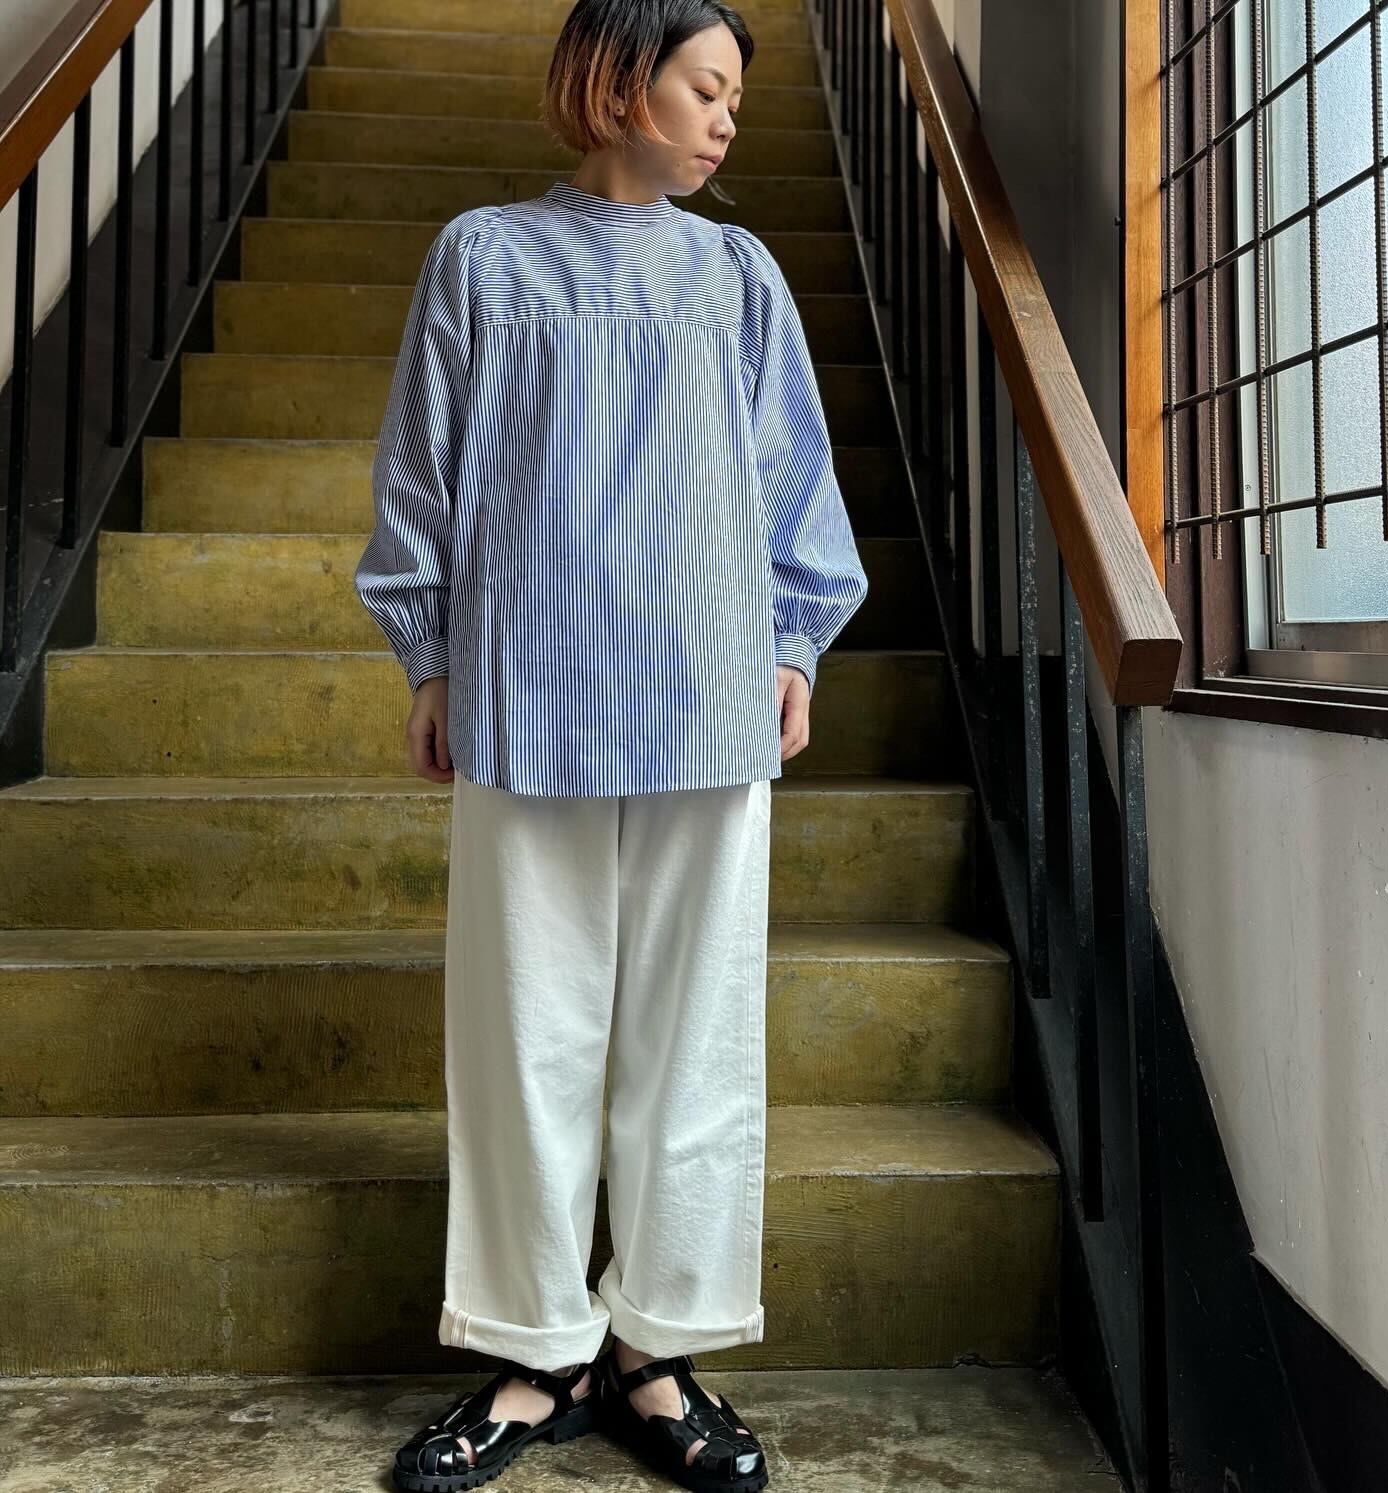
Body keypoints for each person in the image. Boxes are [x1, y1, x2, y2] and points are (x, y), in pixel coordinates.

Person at [353, 0, 869, 1487]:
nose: (726, 120)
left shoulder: (739, 273)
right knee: (524, 1038)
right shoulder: (484, 255)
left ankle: (658, 1347)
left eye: (735, 99)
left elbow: (791, 473)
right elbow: (423, 469)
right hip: (528, 691)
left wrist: (793, 640)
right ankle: (537, 1349)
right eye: (706, 88)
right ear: (620, 79)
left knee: (695, 1039)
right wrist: (429, 655)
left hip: (711, 693)